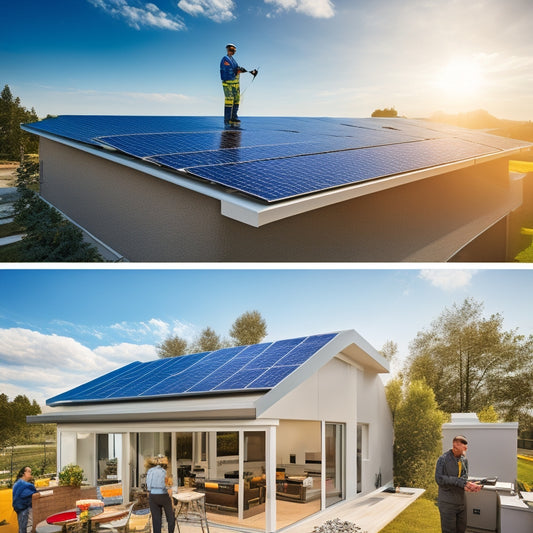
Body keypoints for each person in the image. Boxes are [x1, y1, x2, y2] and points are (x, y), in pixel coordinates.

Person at [435, 435, 481, 533]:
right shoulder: (443, 459)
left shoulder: (464, 460)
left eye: (466, 447)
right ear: (455, 446)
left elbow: (464, 477)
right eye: (463, 447)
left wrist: (469, 485)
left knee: (461, 529)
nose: (465, 450)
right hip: (447, 503)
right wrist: (458, 481)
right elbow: (439, 479)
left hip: (461, 503)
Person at [220, 43, 257, 127]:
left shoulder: (233, 60)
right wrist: (237, 71)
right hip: (228, 84)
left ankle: (234, 117)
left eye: (234, 50)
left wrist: (251, 72)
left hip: (236, 84)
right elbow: (227, 70)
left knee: (237, 100)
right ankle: (227, 120)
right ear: (228, 49)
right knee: (229, 100)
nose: (233, 52)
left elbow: (238, 68)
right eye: (232, 50)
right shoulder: (225, 59)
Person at [146, 455, 175, 533]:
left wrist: (150, 493)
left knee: (156, 520)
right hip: (163, 496)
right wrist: (171, 496)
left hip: (153, 496)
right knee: (171, 518)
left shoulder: (150, 471)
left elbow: (148, 486)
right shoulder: (164, 472)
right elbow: (168, 486)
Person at [12, 466, 38, 533]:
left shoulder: (17, 484)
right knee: (27, 527)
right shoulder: (23, 484)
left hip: (20, 509)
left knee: (22, 527)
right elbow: (31, 495)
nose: (30, 474)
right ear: (23, 473)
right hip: (25, 509)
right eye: (29, 472)